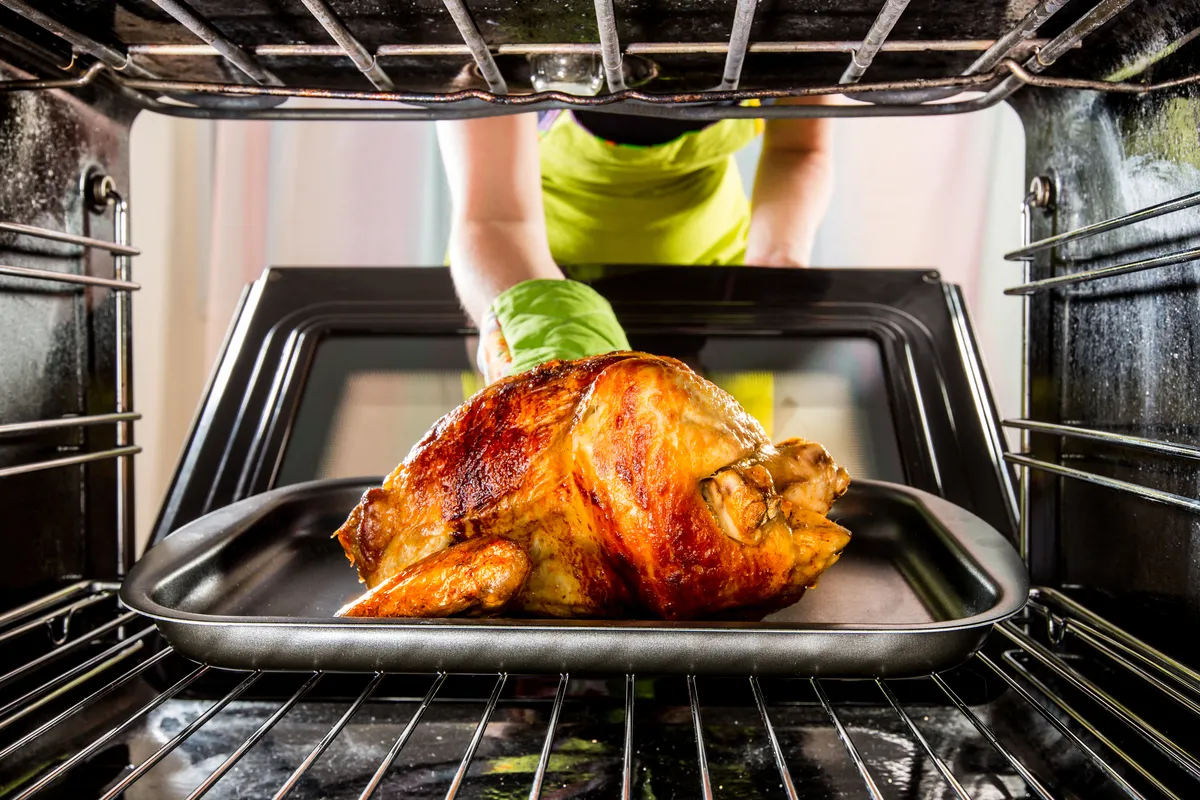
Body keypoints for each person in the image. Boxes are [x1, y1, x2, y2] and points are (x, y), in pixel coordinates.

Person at [436, 99, 833, 382]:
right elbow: (494, 219)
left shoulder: (788, 24)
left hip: (715, 274)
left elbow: (797, 148)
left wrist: (775, 264)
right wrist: (552, 354)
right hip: (525, 276)